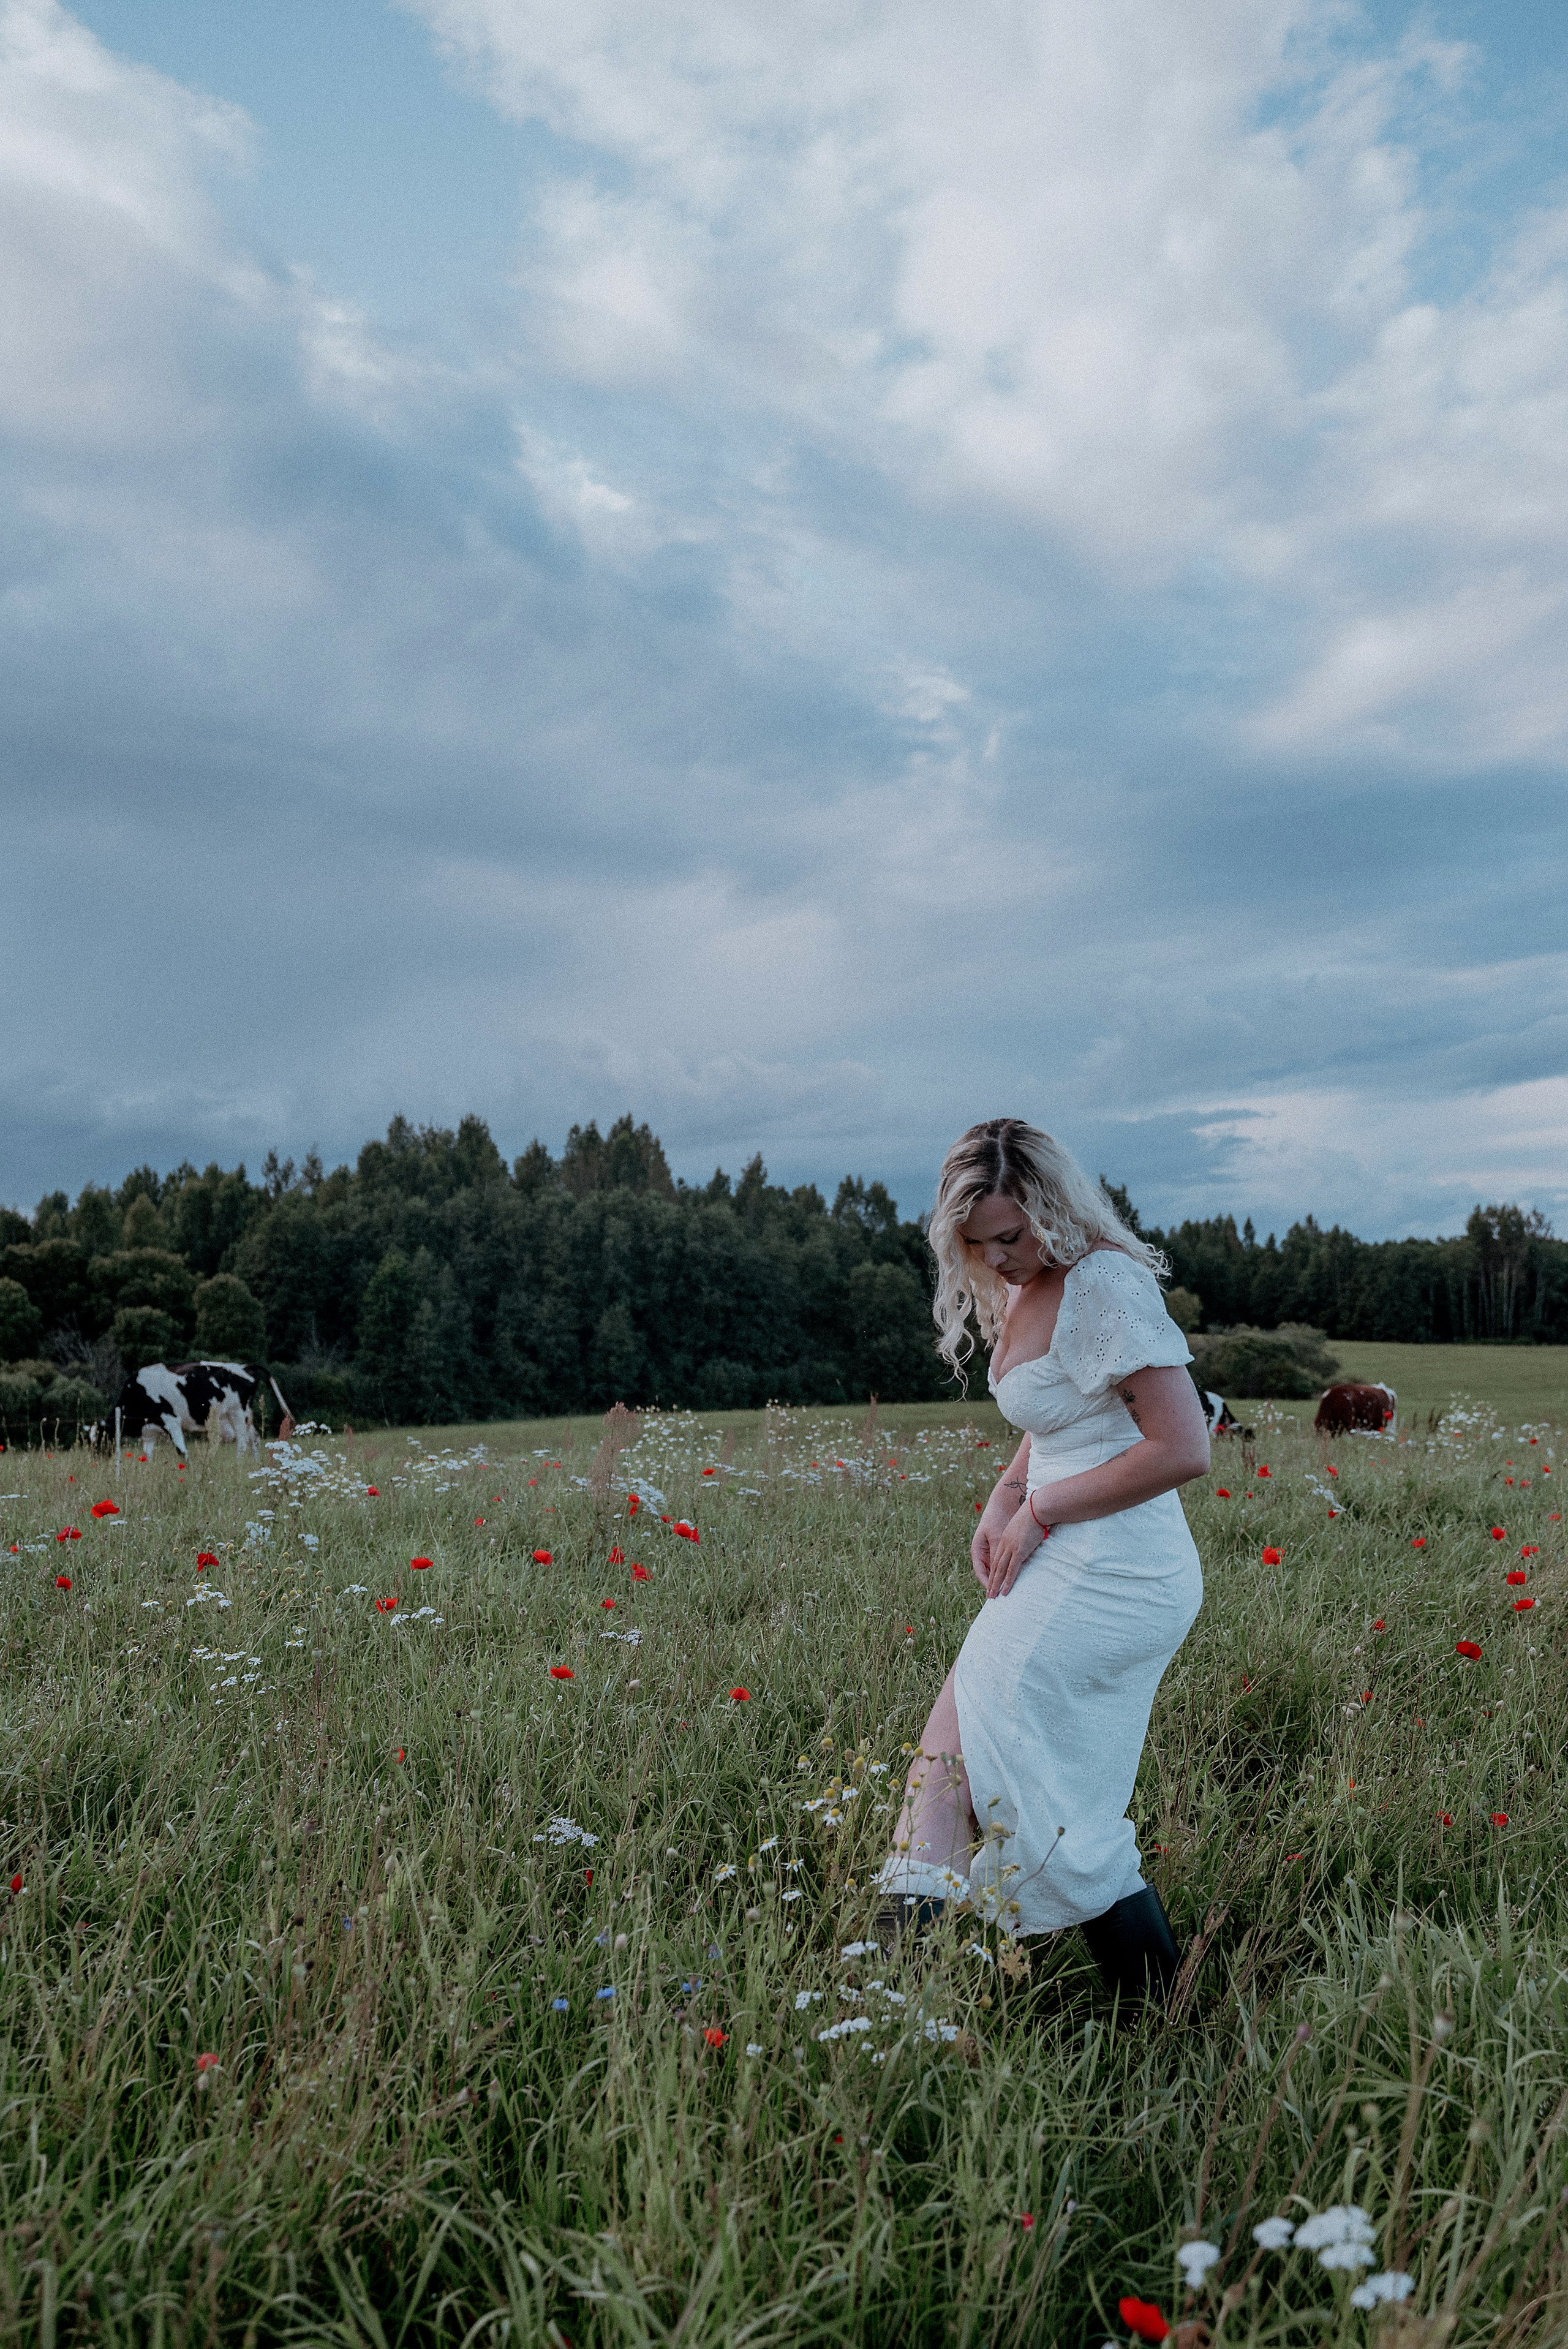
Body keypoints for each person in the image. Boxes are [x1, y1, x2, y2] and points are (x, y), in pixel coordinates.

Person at [874, 1118, 1210, 2000]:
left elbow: (1183, 1447)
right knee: (947, 1766)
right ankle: (895, 2007)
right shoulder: (1029, 1283)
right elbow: (1063, 1414)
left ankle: (1152, 2007)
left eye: (1012, 1237)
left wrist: (1042, 1511)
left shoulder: (1101, 1283)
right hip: (1066, 1553)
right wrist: (1007, 1493)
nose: (998, 1259)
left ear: (1054, 1209)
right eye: (977, 1244)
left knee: (1021, 1790)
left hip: (1116, 1571)